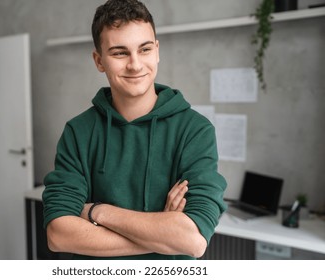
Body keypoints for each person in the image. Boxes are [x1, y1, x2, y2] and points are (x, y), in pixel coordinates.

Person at [42, 0, 227, 260]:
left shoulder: (195, 130)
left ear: (157, 51)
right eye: (120, 53)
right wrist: (163, 233)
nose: (135, 64)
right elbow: (59, 235)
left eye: (145, 49)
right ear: (99, 60)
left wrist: (98, 211)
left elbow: (192, 240)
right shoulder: (78, 132)